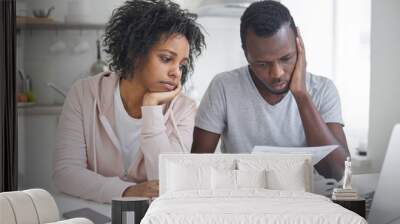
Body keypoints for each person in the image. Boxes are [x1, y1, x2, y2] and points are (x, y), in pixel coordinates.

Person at [53, 0, 205, 203]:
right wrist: (128, 191)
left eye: (182, 65)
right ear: (135, 53)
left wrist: (151, 108)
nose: (176, 73)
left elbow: (169, 185)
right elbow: (65, 173)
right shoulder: (84, 94)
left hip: (150, 223)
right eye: (167, 59)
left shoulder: (184, 109)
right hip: (92, 219)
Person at [192, 0, 349, 181]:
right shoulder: (223, 87)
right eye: (262, 64)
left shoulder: (322, 90)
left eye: (286, 58)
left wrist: (301, 95)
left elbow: (339, 172)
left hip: (308, 204)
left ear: (299, 44)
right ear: (246, 54)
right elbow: (196, 167)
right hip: (243, 201)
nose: (277, 73)